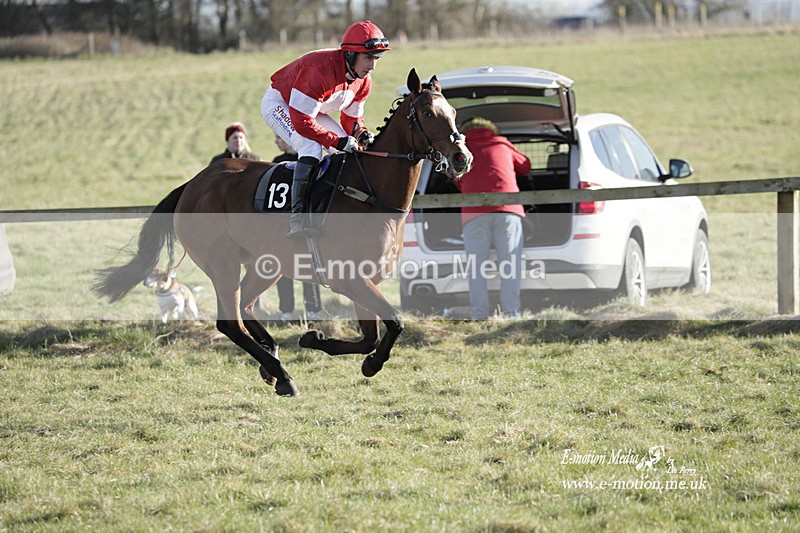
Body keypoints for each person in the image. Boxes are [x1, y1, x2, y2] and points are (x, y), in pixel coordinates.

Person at [260, 20, 390, 239]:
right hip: (282, 104)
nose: (372, 66)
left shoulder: (363, 81)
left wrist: (360, 133)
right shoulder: (320, 70)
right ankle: (297, 219)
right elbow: (301, 121)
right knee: (311, 146)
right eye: (368, 58)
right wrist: (335, 140)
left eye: (376, 59)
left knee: (347, 152)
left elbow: (352, 119)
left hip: (313, 110)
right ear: (350, 54)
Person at [454, 117, 531, 320]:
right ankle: (511, 314)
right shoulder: (502, 143)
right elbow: (525, 166)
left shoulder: (462, 149)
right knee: (510, 264)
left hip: (474, 214)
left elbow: (457, 179)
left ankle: (479, 314)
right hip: (508, 211)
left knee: (476, 267)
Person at [271, 136, 324, 321]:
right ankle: (286, 310)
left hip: (306, 220)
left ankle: (313, 309)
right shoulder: (277, 163)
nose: (277, 142)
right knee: (283, 269)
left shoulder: (309, 157)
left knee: (307, 266)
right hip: (283, 222)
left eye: (279, 137)